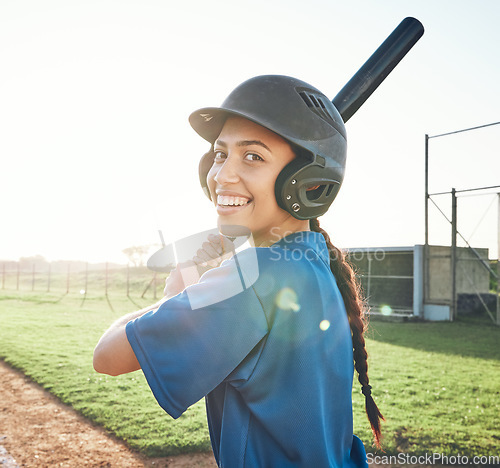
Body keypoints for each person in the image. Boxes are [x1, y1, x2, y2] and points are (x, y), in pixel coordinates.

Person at [93, 75, 383, 467]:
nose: (222, 175)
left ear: (311, 185)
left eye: (253, 156)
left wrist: (178, 293)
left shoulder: (253, 277)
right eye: (219, 154)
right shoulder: (313, 261)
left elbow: (108, 358)